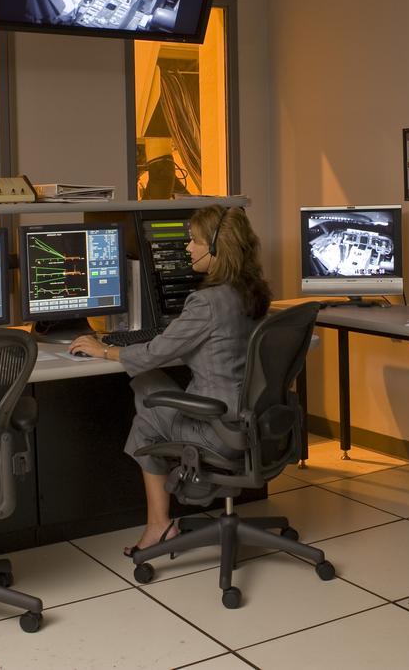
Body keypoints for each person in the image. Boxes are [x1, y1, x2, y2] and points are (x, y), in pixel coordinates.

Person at [69, 205, 271, 556]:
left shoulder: (206, 302)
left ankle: (159, 524)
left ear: (216, 248)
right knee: (146, 384)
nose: (187, 248)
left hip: (218, 428)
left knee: (146, 416)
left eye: (194, 241)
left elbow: (152, 353)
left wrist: (103, 350)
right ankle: (181, 494)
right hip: (252, 422)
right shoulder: (254, 293)